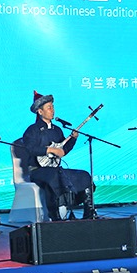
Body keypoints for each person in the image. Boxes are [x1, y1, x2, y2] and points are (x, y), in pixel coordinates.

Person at [21, 91, 95, 221]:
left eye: (53, 107)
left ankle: (89, 213)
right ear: (40, 111)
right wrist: (50, 149)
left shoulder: (57, 130)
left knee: (83, 175)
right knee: (55, 176)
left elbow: (63, 150)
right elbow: (30, 149)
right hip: (37, 170)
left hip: (55, 169)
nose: (52, 110)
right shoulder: (32, 130)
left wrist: (73, 139)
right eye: (49, 107)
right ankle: (56, 216)